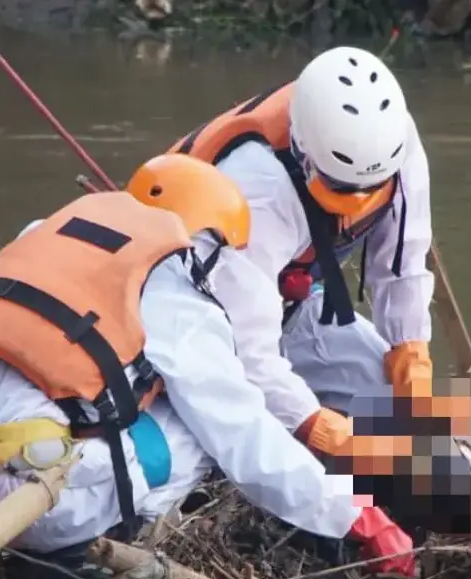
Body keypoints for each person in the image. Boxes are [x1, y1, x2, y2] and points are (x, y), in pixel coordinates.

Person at [0, 153, 414, 579]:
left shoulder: (44, 236)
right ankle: (69, 564)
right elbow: (243, 438)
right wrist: (352, 516)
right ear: (200, 238)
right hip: (30, 503)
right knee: (197, 429)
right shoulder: (173, 284)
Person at [167, 45, 435, 463]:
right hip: (200, 323)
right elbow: (248, 349)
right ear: (303, 150)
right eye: (342, 190)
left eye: (373, 188)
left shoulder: (394, 142)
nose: (360, 202)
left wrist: (410, 354)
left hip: (292, 300)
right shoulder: (256, 190)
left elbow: (403, 264)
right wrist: (313, 423)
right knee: (232, 442)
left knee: (397, 410)